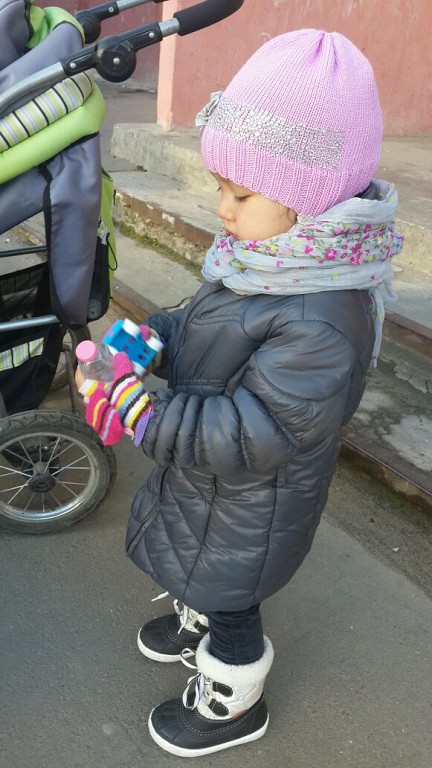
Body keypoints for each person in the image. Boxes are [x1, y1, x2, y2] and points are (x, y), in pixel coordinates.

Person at [76, 29, 403, 758]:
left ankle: (231, 697)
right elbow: (205, 324)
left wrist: (140, 408)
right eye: (221, 187)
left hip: (255, 499)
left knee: (233, 596)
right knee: (201, 568)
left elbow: (252, 433)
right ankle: (195, 614)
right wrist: (150, 338)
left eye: (241, 193)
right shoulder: (267, 258)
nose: (222, 209)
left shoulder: (322, 318)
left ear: (309, 199)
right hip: (213, 488)